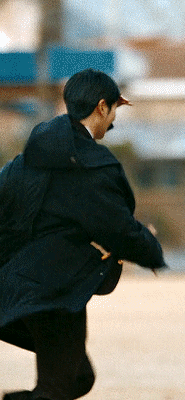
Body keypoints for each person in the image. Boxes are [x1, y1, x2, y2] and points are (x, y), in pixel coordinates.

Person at [0, 69, 166, 400]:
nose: (114, 120)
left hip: (19, 286)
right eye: (114, 110)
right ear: (102, 107)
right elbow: (117, 228)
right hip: (53, 291)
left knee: (77, 377)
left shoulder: (30, 157)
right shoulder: (90, 166)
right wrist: (150, 248)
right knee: (59, 387)